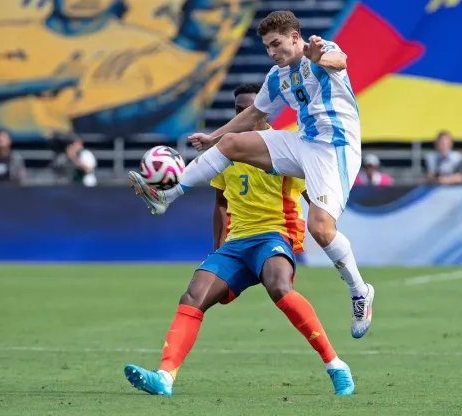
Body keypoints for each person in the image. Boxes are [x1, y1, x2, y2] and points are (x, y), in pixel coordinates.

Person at [129, 10, 374, 338]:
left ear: (295, 38)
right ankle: (165, 195)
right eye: (267, 47)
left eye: (277, 44)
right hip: (304, 143)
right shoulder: (277, 77)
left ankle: (360, 291)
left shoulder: (321, 48)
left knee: (320, 228)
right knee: (231, 143)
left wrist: (319, 57)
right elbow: (255, 114)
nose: (273, 52)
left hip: (337, 148)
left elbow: (338, 62)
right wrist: (213, 137)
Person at [123, 83, 355, 397]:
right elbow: (221, 204)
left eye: (249, 109)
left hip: (274, 236)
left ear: (263, 110)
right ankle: (164, 377)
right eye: (238, 110)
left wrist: (321, 227)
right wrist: (218, 255)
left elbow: (315, 198)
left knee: (279, 287)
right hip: (236, 244)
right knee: (193, 296)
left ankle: (336, 365)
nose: (244, 114)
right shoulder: (226, 152)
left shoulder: (287, 147)